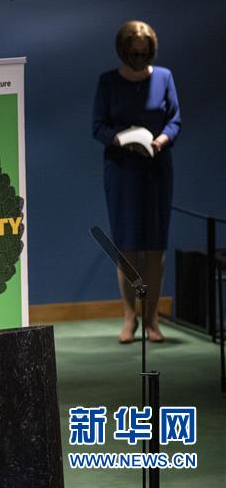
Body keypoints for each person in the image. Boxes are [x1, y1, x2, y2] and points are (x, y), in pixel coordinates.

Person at [93, 20, 181, 344]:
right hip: (122, 170)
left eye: (145, 54)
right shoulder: (108, 82)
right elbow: (97, 126)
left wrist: (161, 140)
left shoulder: (165, 78)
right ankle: (129, 317)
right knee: (127, 246)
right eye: (134, 54)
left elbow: (175, 120)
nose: (140, 59)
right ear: (124, 52)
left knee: (155, 248)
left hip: (157, 168)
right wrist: (118, 139)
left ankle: (152, 319)